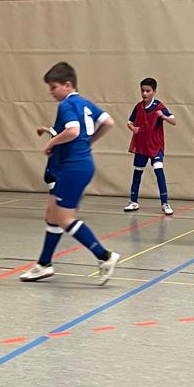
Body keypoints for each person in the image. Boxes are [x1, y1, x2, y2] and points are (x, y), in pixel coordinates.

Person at [21, 62, 120, 285]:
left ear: (67, 85)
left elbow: (73, 131)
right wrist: (90, 141)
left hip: (73, 168)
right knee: (51, 214)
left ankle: (105, 256)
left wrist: (51, 143)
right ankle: (44, 264)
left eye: (53, 87)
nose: (51, 92)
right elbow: (108, 122)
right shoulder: (84, 103)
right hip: (79, 165)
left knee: (64, 219)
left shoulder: (66, 105)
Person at [124, 77, 176, 216]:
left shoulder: (159, 106)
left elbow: (173, 120)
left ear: (154, 91)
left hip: (155, 145)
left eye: (148, 91)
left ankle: (165, 203)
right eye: (143, 90)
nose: (144, 93)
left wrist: (163, 116)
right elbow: (129, 122)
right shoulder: (138, 107)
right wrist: (133, 129)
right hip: (141, 145)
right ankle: (133, 201)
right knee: (137, 172)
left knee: (159, 171)